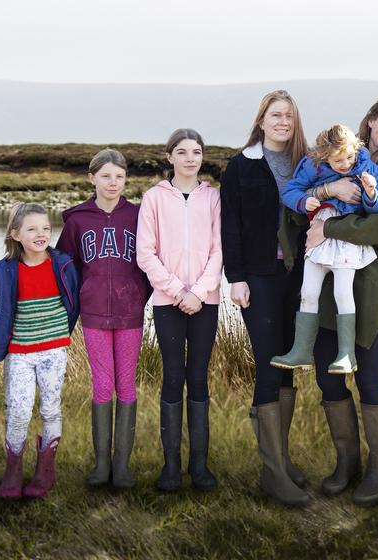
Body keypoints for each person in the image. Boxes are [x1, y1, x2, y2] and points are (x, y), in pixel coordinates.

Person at [305, 93, 378, 506]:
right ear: (370, 121)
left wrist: (332, 227)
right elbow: (305, 197)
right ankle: (346, 463)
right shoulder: (340, 153)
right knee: (327, 375)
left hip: (371, 290)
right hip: (327, 292)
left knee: (369, 378)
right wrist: (327, 189)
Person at [220, 89, 313, 507]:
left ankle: (283, 459)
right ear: (261, 121)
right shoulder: (241, 167)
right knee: (268, 364)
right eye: (276, 115)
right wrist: (235, 278)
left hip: (298, 275)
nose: (282, 122)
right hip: (257, 277)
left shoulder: (305, 162)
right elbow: (230, 227)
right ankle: (272, 474)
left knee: (290, 363)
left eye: (289, 117)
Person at [55, 148, 150, 489]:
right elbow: (66, 268)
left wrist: (139, 295)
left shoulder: (139, 216)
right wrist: (78, 301)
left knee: (126, 384)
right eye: (106, 176)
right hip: (93, 314)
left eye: (120, 176)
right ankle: (100, 466)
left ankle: (122, 466)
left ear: (126, 179)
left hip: (130, 314)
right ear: (92, 178)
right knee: (101, 385)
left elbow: (150, 262)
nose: (113, 183)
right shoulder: (77, 220)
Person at [137, 128, 223, 492]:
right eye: (183, 152)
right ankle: (171, 468)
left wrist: (200, 292)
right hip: (167, 303)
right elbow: (146, 253)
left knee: (199, 377)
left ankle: (199, 468)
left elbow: (219, 250)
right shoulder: (153, 198)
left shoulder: (213, 198)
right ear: (169, 157)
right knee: (173, 376)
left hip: (206, 301)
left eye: (197, 152)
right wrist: (177, 291)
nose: (191, 158)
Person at [272, 124, 378, 374]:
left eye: (349, 157)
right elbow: (290, 191)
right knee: (308, 291)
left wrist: (371, 192)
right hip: (319, 233)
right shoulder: (313, 165)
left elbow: (377, 207)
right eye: (337, 160)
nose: (345, 164)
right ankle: (301, 351)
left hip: (346, 234)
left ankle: (347, 354)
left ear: (355, 149)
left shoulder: (366, 168)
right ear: (325, 156)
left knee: (343, 293)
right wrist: (304, 201)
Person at [0, 202, 80, 501]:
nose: (41, 234)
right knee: (18, 412)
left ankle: (45, 471)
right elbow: (5, 310)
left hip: (54, 350)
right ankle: (13, 470)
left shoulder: (62, 263)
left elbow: (73, 304)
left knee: (50, 408)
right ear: (16, 234)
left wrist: (59, 335)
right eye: (32, 229)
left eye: (45, 228)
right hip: (20, 352)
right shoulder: (8, 269)